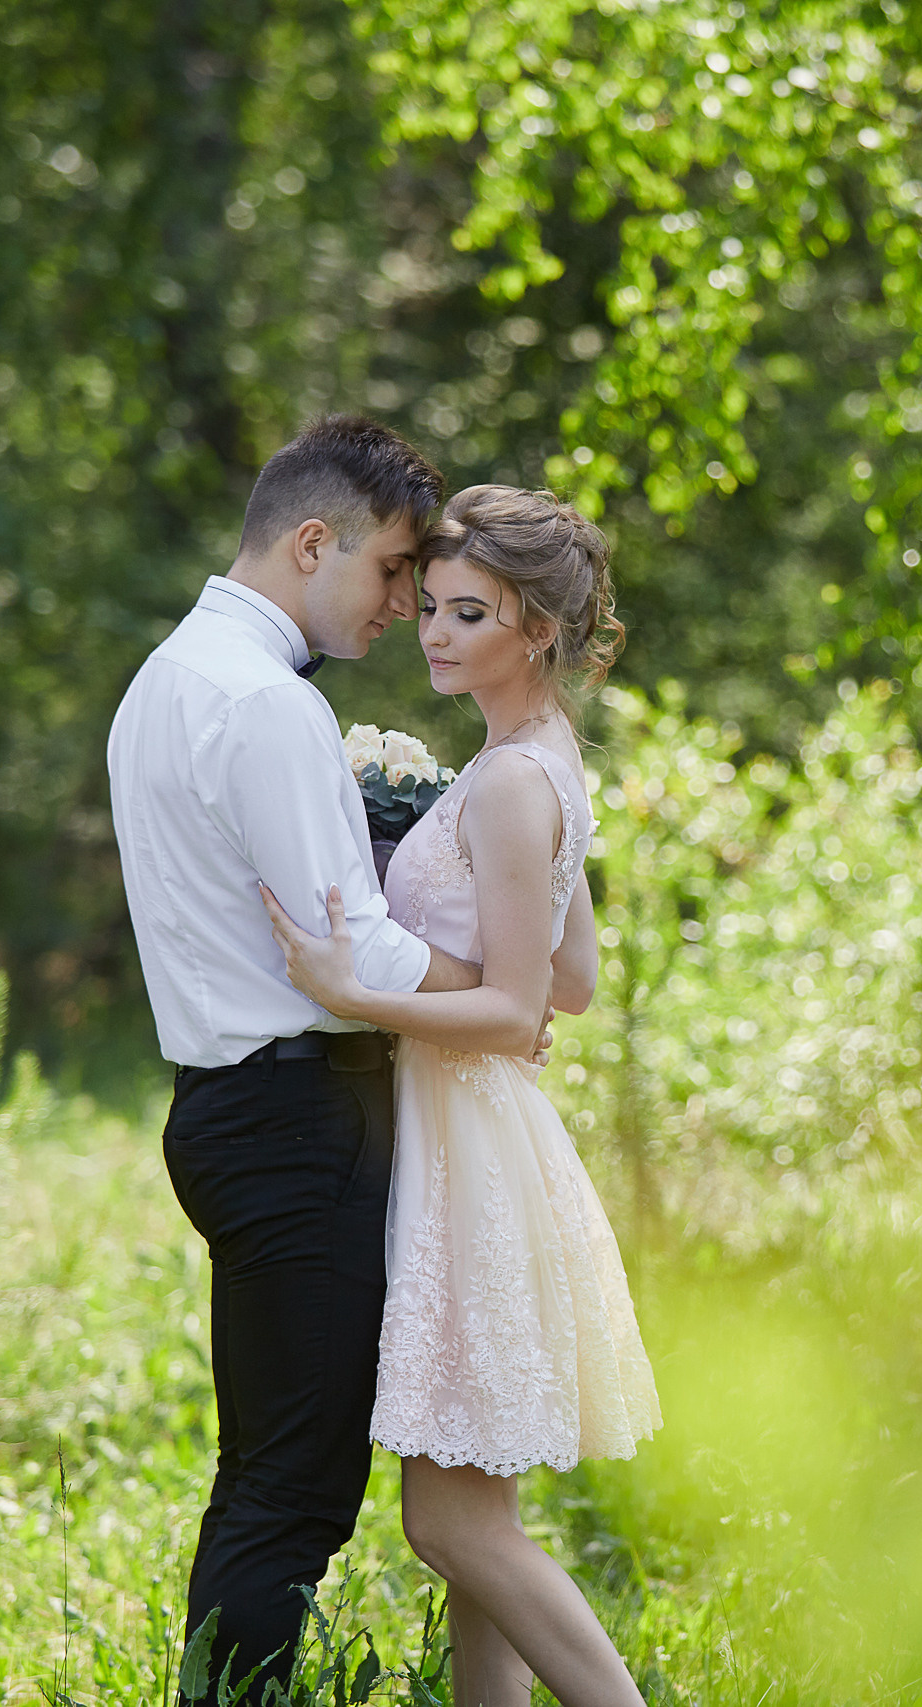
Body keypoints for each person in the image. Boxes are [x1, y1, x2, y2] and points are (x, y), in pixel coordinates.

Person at [106, 419, 592, 1700]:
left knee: (342, 1486)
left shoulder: (169, 676)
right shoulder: (265, 704)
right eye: (391, 576)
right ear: (311, 542)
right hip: (294, 1123)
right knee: (290, 1494)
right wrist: (494, 993)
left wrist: (494, 980)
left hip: (242, 1109)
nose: (400, 609)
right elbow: (358, 952)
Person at [260, 484, 659, 1707]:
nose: (432, 631)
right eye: (427, 604)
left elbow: (517, 1010)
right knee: (473, 1521)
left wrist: (355, 987)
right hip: (481, 1141)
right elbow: (575, 983)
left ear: (536, 627)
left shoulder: (500, 783)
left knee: (452, 1526)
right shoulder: (535, 761)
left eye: (467, 612)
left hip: (470, 1151)